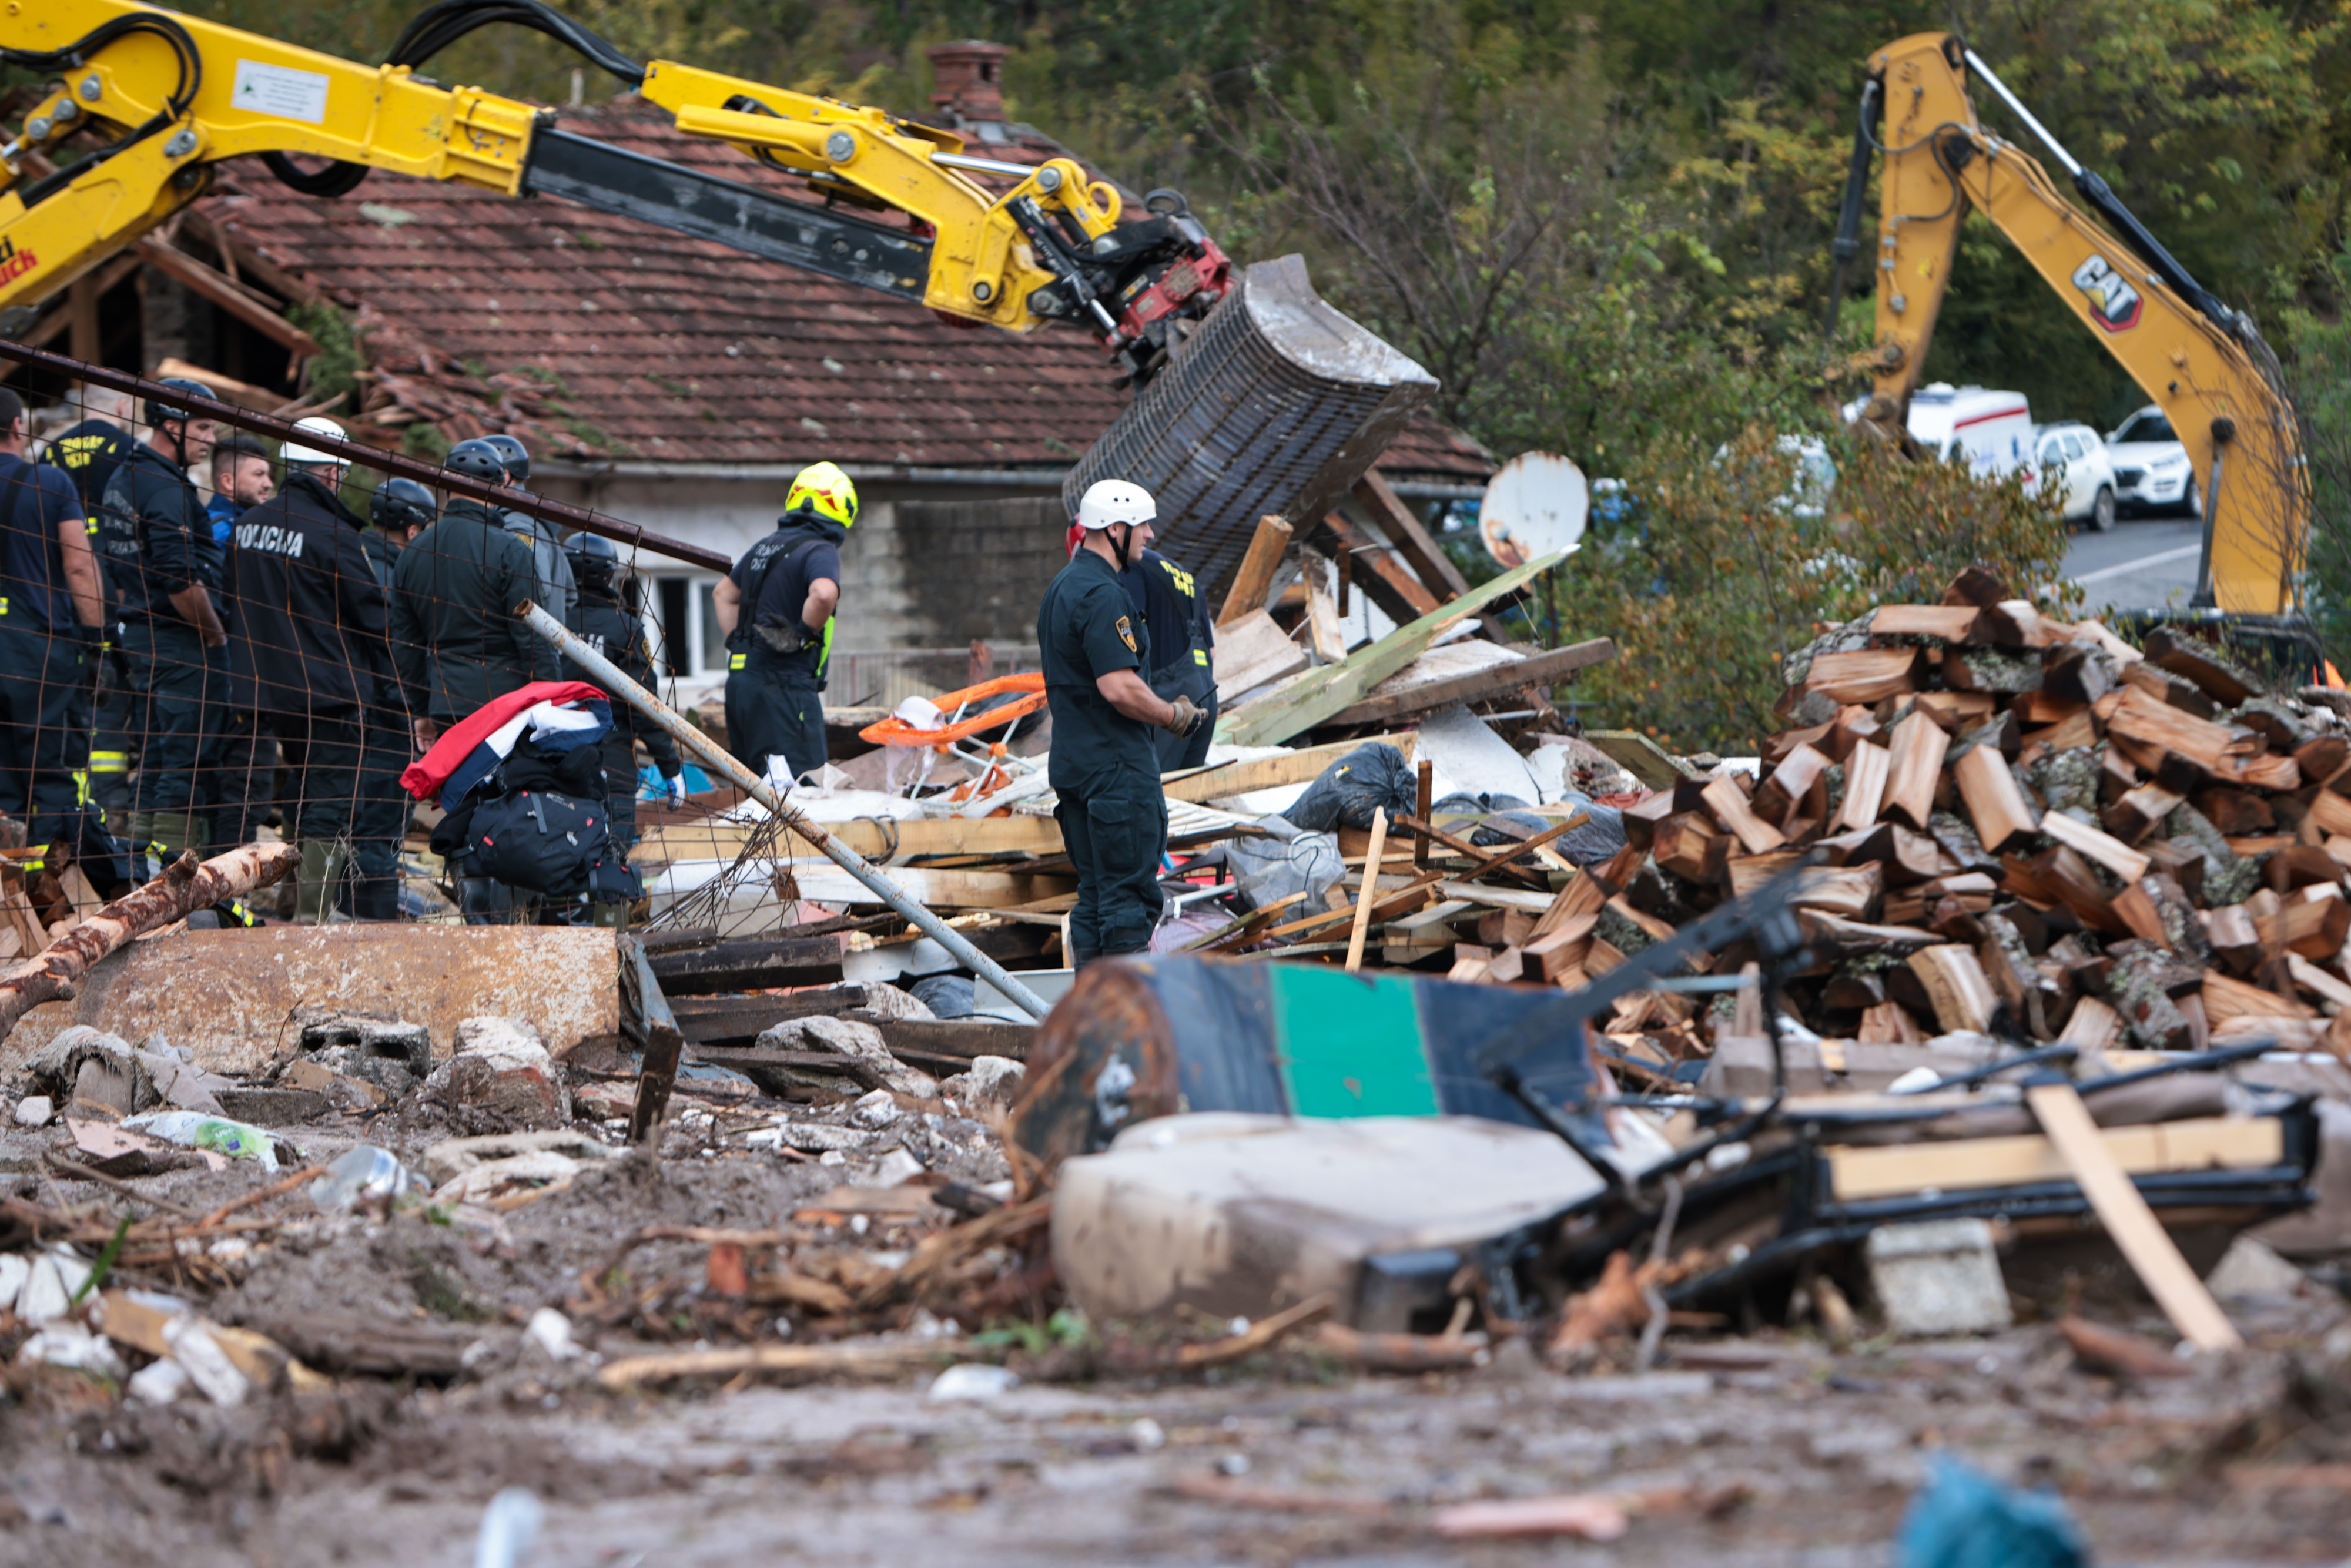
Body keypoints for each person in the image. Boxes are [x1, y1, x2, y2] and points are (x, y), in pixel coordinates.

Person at [223, 417, 394, 923]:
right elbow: (373, 618)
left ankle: (293, 903)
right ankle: (315, 915)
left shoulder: (247, 525)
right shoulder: (332, 533)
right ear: (331, 473)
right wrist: (395, 688)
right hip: (328, 689)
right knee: (330, 797)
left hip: (265, 687)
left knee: (299, 789)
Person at [389, 438, 560, 921]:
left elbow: (403, 643)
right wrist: (550, 701)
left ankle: (475, 915)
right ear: (499, 487)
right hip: (508, 709)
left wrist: (422, 707)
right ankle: (510, 920)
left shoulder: (413, 553)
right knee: (513, 809)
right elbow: (533, 636)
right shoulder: (509, 549)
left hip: (447, 706)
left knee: (462, 809)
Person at [1036, 480, 1203, 966]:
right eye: (1143, 525)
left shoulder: (1061, 588)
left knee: (1095, 898)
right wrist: (1174, 716)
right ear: (1115, 529)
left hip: (1074, 766)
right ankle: (1125, 1035)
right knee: (1128, 902)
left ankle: (1094, 1027)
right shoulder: (1103, 595)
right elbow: (1118, 687)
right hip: (1115, 773)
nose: (1150, 536)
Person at [95, 377, 222, 872]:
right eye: (204, 427)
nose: (211, 439)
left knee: (155, 751)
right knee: (185, 757)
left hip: (141, 633)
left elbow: (123, 573)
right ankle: (172, 875)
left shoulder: (122, 477)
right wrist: (214, 633)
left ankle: (141, 871)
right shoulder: (165, 488)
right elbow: (179, 578)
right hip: (179, 638)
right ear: (172, 424)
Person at [0, 388, 107, 857]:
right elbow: (79, 566)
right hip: (39, 649)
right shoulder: (50, 482)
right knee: (51, 773)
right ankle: (54, 895)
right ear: (18, 427)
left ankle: (8, 903)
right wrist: (98, 638)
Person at [712, 460, 853, 785]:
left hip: (741, 688)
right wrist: (802, 634)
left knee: (756, 792)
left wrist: (742, 642)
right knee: (804, 793)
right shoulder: (819, 549)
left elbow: (722, 594)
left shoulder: (763, 547)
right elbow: (822, 594)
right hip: (786, 691)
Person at [45, 386, 139, 822]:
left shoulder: (49, 454)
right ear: (122, 407)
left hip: (60, 600)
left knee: (75, 707)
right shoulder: (128, 449)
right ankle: (111, 804)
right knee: (114, 702)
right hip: (112, 588)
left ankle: (74, 799)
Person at [346, 478, 437, 920]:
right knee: (382, 819)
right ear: (414, 530)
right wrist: (415, 710)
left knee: (348, 816)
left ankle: (343, 906)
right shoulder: (397, 574)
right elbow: (398, 652)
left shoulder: (351, 554)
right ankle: (374, 917)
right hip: (387, 712)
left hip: (345, 708)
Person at [562, 532, 685, 856]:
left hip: (554, 761)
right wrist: (670, 766)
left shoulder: (548, 621)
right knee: (610, 859)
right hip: (612, 763)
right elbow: (643, 705)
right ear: (608, 574)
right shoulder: (625, 627)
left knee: (559, 854)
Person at [1120, 545, 1218, 772]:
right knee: (1187, 791)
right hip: (1207, 691)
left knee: (1156, 787)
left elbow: (1129, 636)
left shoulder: (1133, 567)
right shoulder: (1184, 575)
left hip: (1174, 698)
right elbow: (1211, 651)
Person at [482, 434, 575, 624]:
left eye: (482, 476)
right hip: (541, 646)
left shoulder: (517, 525)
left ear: (505, 477)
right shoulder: (534, 522)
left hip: (525, 649)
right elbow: (570, 598)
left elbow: (532, 594)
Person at [42, 385, 136, 515]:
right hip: (113, 533)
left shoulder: (51, 451)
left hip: (63, 534)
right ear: (122, 406)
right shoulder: (130, 447)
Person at [206, 436, 274, 543]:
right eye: (258, 474)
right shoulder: (220, 531)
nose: (269, 484)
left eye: (268, 475)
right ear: (228, 481)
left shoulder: (243, 523)